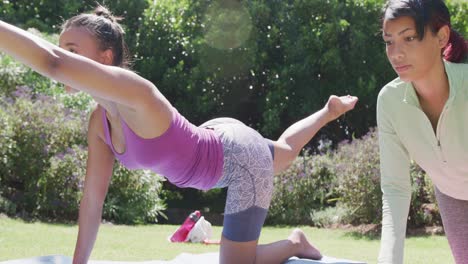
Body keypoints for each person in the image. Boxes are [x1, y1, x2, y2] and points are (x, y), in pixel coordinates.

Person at [0, 5, 358, 264]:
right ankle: (327, 112)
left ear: (105, 58)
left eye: (73, 50)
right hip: (217, 138)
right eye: (62, 47)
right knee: (280, 152)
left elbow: (53, 63)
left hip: (237, 157)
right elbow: (93, 202)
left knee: (236, 263)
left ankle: (295, 242)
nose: (65, 56)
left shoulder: (136, 92)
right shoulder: (99, 122)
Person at [377, 0, 468, 263]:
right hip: (452, 196)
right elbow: (395, 188)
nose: (396, 53)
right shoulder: (390, 102)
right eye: (389, 41)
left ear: (441, 36)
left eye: (409, 38)